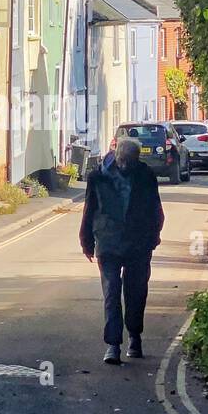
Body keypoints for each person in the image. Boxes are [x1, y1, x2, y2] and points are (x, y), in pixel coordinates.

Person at [79, 135, 164, 364]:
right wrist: (86, 240)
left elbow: (155, 207)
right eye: (125, 159)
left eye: (132, 160)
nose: (128, 164)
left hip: (138, 243)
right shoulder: (98, 177)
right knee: (112, 292)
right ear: (117, 156)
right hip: (108, 241)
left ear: (137, 159)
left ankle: (135, 336)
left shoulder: (145, 176)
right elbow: (90, 209)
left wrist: (154, 235)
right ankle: (113, 345)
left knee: (136, 292)